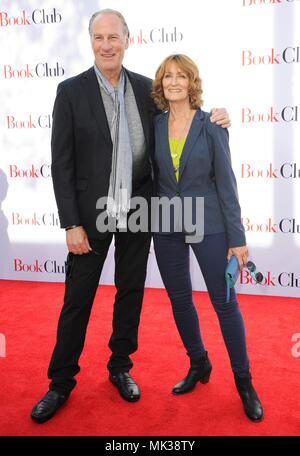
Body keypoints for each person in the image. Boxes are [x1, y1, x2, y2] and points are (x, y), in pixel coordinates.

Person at [30, 10, 230, 424]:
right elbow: (61, 163)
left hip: (141, 206)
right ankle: (60, 383)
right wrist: (71, 222)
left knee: (130, 290)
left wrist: (216, 117)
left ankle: (120, 366)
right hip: (91, 213)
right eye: (99, 37)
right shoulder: (70, 92)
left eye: (114, 37)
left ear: (127, 39)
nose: (107, 45)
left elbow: (182, 114)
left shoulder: (145, 89)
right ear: (91, 42)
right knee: (77, 300)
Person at [151, 54, 263, 422]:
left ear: (192, 82)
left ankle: (244, 381)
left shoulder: (212, 124)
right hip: (167, 224)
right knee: (180, 300)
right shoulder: (154, 125)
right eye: (168, 76)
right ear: (161, 83)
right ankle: (199, 362)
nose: (174, 82)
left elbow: (226, 184)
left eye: (181, 76)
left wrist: (238, 236)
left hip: (211, 223)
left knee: (225, 302)